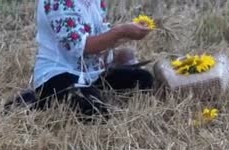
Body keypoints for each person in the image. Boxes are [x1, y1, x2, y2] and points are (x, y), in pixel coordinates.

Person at [13, 0, 154, 121]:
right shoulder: (58, 2)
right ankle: (34, 101)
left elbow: (101, 38)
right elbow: (82, 46)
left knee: (143, 79)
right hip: (57, 74)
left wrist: (125, 37)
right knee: (93, 110)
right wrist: (120, 32)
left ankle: (92, 92)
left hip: (91, 74)